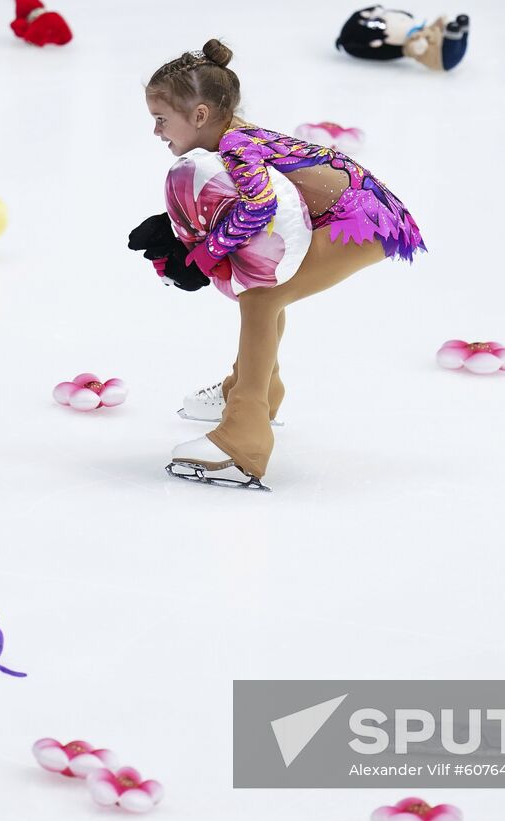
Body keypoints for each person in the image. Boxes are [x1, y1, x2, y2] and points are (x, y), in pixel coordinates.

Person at [144, 38, 425, 489]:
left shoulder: (235, 145)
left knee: (262, 296)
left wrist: (205, 253)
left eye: (161, 120)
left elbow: (257, 207)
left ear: (198, 116)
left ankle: (243, 438)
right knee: (267, 294)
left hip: (363, 224)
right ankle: (253, 391)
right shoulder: (232, 132)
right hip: (367, 216)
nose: (157, 132)